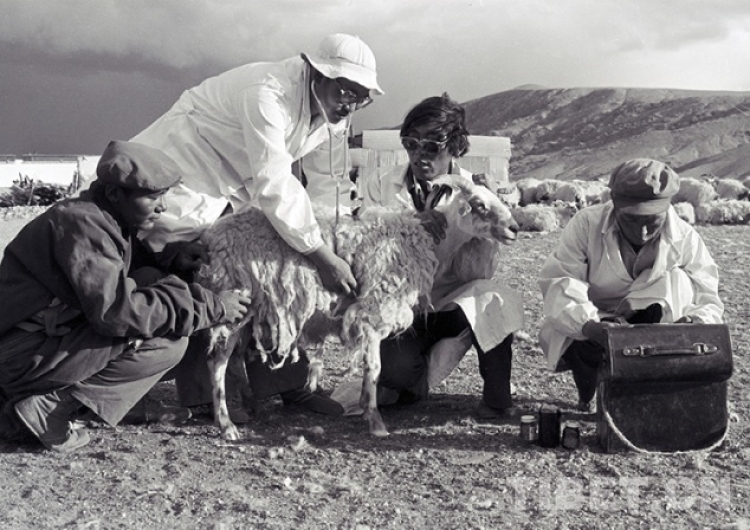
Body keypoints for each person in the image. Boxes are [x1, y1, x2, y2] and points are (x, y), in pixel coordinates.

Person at [130, 33, 383, 416]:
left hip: (238, 183)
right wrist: (322, 256)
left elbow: (329, 181)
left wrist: (334, 239)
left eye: (362, 97)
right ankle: (204, 395)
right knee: (194, 273)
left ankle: (286, 383)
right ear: (318, 75)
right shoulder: (267, 93)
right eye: (345, 91)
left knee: (272, 272)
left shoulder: (333, 112)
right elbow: (275, 182)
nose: (350, 104)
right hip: (190, 169)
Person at [0, 141, 252, 452]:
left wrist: (173, 261)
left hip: (32, 345)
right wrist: (212, 305)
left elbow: (126, 274)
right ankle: (49, 409)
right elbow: (116, 312)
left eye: (163, 196)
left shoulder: (105, 218)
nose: (162, 207)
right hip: (19, 355)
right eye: (153, 198)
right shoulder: (82, 224)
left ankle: (53, 403)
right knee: (168, 344)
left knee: (151, 279)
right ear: (114, 193)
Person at [332, 94, 524, 419]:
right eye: (411, 144)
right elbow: (365, 230)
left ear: (456, 147)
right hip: (401, 305)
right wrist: (409, 222)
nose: (420, 155)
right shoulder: (382, 183)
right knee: (396, 370)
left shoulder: (474, 193)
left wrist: (476, 228)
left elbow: (483, 270)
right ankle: (409, 381)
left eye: (432, 147)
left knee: (494, 300)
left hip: (449, 303)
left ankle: (497, 399)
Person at [538, 158, 724, 412]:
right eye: (632, 220)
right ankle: (588, 380)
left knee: (679, 279)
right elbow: (562, 279)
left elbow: (707, 295)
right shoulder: (586, 224)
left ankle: (646, 383)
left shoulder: (685, 236)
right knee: (574, 338)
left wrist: (692, 323)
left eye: (653, 221)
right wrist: (591, 326)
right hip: (595, 317)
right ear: (615, 205)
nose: (643, 232)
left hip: (653, 322)